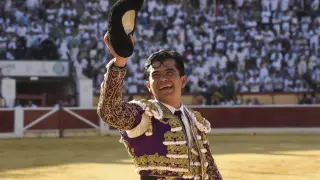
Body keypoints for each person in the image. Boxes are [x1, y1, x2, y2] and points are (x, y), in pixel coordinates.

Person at [97, 32, 223, 180]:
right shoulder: (144, 114)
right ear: (148, 86)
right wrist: (119, 62)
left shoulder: (195, 120)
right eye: (156, 75)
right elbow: (110, 112)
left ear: (183, 81)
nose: (163, 79)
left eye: (169, 73)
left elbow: (211, 170)